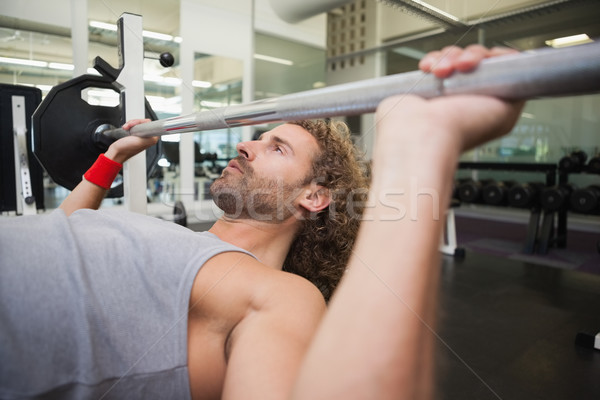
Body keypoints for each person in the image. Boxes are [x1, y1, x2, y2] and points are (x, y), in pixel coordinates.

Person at [0, 45, 523, 399]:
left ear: (314, 196)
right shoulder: (184, 244)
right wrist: (113, 156)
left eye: (276, 147)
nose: (246, 144)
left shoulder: (282, 296)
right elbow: (66, 233)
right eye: (257, 137)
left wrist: (419, 142)